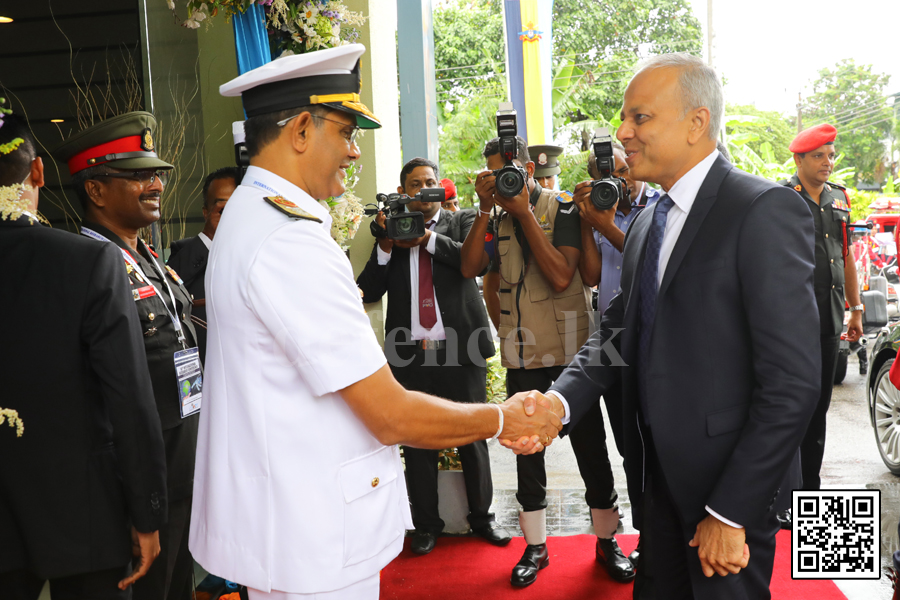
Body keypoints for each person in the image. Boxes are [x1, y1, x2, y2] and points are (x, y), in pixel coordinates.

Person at [187, 44, 561, 600]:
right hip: (314, 539)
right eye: (345, 132)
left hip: (287, 523)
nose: (355, 152)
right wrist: (504, 420)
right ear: (301, 131)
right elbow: (388, 414)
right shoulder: (290, 241)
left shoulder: (247, 215)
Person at [508, 53, 820, 600]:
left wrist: (730, 510)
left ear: (697, 123)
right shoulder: (652, 216)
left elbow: (793, 384)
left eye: (640, 118)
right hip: (654, 482)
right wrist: (559, 404)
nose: (623, 133)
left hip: (726, 494)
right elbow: (621, 329)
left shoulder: (762, 209)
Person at [0, 113, 167, 598]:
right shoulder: (88, 261)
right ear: (37, 175)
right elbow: (130, 399)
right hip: (84, 513)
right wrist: (147, 513)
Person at [460, 137, 634, 586]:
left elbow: (561, 276)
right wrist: (484, 209)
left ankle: (606, 540)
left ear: (527, 170)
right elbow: (474, 269)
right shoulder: (495, 214)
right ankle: (535, 548)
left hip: (571, 350)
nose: (502, 183)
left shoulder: (565, 211)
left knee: (590, 449)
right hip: (522, 348)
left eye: (506, 173)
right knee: (525, 450)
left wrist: (522, 213)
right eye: (494, 175)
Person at [53, 111, 201, 600]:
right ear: (95, 191)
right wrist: (144, 503)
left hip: (180, 475)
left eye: (156, 174)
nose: (155, 184)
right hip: (131, 494)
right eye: (139, 176)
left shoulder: (151, 258)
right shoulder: (82, 270)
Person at [356, 157, 509, 555]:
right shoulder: (393, 229)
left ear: (439, 188)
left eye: (428, 182)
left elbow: (473, 262)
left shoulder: (460, 220)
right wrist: (387, 245)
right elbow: (369, 290)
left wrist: (428, 240)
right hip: (412, 354)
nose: (422, 190)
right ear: (404, 190)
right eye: (414, 184)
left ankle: (482, 519)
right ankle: (425, 525)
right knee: (417, 441)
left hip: (462, 348)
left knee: (473, 434)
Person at [781, 123, 864, 492]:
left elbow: (845, 256)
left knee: (818, 411)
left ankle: (809, 492)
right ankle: (781, 491)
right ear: (799, 159)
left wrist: (856, 307)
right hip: (789, 322)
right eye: (818, 156)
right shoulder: (779, 199)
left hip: (828, 320)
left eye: (830, 155)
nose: (827, 162)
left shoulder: (839, 199)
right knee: (788, 410)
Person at [168, 167, 242, 363]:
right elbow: (168, 290)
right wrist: (210, 235)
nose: (231, 213)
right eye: (222, 207)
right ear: (206, 212)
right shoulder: (188, 253)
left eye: (237, 204)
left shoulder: (266, 253)